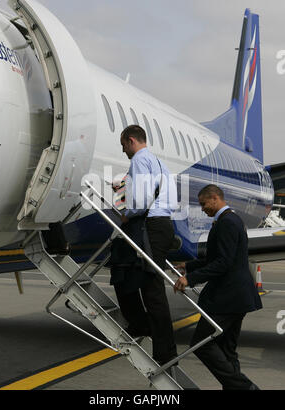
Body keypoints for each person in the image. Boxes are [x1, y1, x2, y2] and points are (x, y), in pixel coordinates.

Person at [174, 184, 262, 390]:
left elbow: (224, 263)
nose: (203, 209)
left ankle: (244, 388)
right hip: (237, 297)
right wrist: (189, 266)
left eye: (204, 204)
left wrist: (191, 278)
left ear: (215, 198)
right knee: (226, 350)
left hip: (228, 298)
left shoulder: (228, 222)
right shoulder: (226, 220)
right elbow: (216, 258)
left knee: (201, 344)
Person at [112, 124, 178, 366]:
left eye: (123, 146)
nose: (123, 152)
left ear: (131, 141)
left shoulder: (139, 160)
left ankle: (164, 351)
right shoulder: (158, 162)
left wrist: (127, 213)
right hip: (162, 225)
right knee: (138, 278)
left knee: (151, 289)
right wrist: (122, 188)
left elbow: (141, 200)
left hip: (149, 225)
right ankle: (146, 330)